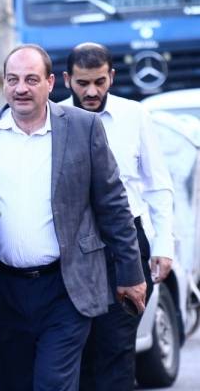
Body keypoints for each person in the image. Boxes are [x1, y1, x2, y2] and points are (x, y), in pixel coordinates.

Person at [0, 44, 147, 391]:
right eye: (13, 79)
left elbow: (113, 205)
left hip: (65, 287)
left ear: (51, 82)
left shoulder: (83, 127)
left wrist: (131, 273)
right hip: (0, 291)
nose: (21, 88)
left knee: (53, 384)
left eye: (31, 79)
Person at [60, 42, 174, 391]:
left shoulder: (134, 115)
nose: (91, 92)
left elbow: (157, 185)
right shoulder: (55, 119)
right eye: (82, 83)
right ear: (66, 80)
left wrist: (163, 244)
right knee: (78, 348)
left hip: (126, 245)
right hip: (73, 247)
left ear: (111, 76)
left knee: (117, 346)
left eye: (99, 81)